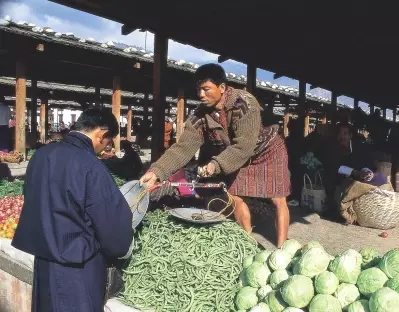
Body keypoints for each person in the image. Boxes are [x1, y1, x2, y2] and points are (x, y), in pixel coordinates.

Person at [140, 64, 291, 247]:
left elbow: (243, 146)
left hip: (268, 149)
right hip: (239, 154)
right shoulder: (200, 116)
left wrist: (216, 164)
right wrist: (156, 172)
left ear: (222, 87)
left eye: (206, 89)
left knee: (277, 198)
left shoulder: (244, 104)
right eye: (198, 90)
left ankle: (282, 247)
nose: (201, 95)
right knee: (236, 195)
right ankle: (248, 243)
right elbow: (183, 147)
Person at [12, 107, 134, 312]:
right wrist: (121, 245)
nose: (105, 148)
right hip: (77, 272)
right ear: (101, 134)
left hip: (44, 263)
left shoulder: (41, 156)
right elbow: (112, 228)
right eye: (108, 141)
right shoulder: (90, 166)